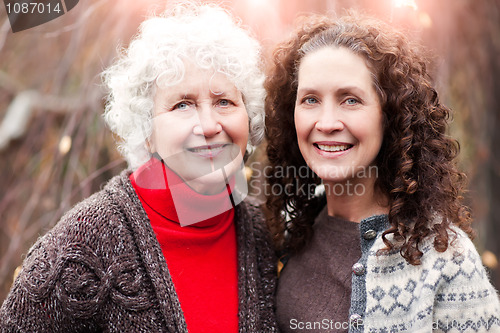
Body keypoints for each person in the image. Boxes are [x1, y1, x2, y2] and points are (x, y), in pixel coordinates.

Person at [0, 4, 278, 332]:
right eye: (182, 105)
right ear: (147, 132)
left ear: (249, 117)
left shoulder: (265, 234)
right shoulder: (81, 246)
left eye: (224, 102)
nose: (208, 124)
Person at [264, 12, 500, 332]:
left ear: (389, 117)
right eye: (310, 99)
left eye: (350, 100)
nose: (327, 122)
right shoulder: (288, 232)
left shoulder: (446, 259)